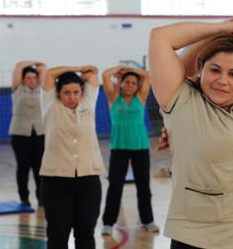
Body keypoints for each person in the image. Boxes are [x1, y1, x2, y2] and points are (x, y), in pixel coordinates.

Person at [149, 19, 233, 249]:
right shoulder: (181, 101)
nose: (223, 80)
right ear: (200, 67)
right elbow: (160, 37)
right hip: (202, 237)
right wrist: (222, 28)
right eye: (214, 70)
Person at [39, 65, 106, 249]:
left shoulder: (88, 104)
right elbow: (51, 73)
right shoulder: (50, 106)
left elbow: (92, 73)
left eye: (76, 92)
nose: (72, 97)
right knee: (57, 235)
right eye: (66, 92)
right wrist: (77, 69)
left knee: (85, 234)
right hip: (56, 182)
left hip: (89, 180)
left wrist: (81, 75)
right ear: (58, 93)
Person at [101, 65, 159, 235]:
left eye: (134, 83)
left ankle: (148, 221)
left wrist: (130, 70)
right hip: (119, 148)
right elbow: (105, 75)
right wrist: (120, 70)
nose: (130, 85)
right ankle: (108, 223)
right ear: (121, 83)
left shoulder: (140, 98)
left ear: (137, 86)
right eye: (127, 82)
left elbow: (148, 74)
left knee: (143, 187)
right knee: (115, 187)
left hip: (140, 148)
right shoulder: (113, 99)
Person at [9, 61, 46, 206]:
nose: (31, 80)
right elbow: (18, 67)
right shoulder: (18, 89)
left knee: (39, 167)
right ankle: (24, 197)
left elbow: (43, 67)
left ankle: (41, 198)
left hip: (39, 133)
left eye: (34, 77)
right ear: (23, 79)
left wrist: (39, 64)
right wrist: (31, 63)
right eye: (28, 78)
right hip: (20, 134)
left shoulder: (41, 90)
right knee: (23, 166)